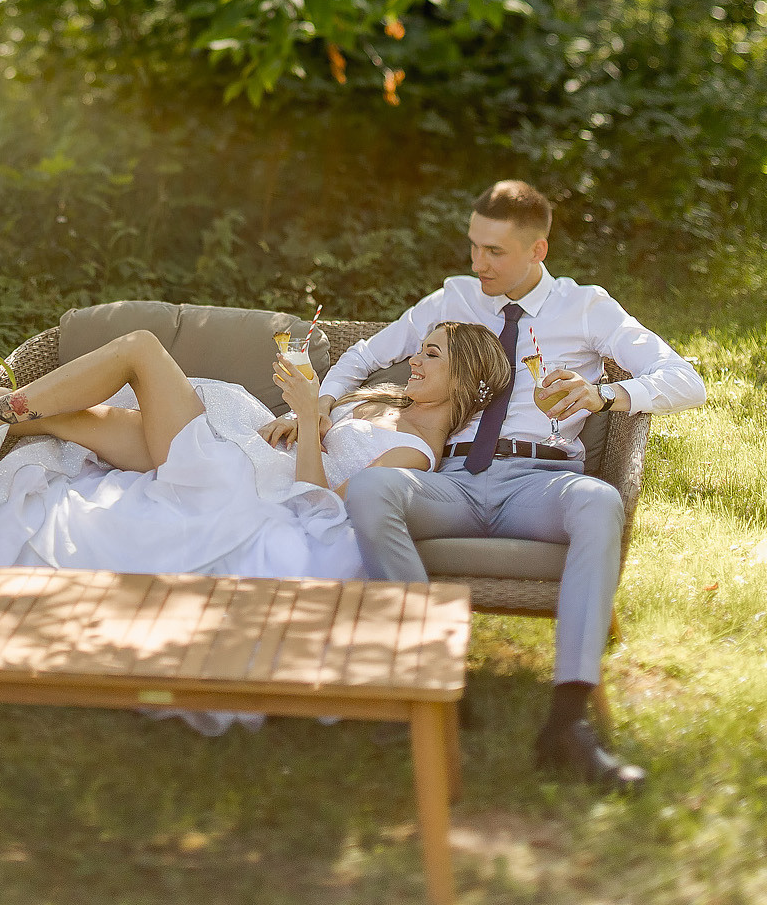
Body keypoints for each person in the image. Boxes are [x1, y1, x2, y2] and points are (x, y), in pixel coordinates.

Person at [266, 178, 705, 791]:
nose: (479, 263)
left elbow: (686, 380)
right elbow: (364, 355)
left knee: (599, 503)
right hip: (455, 482)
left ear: (538, 250)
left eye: (495, 251)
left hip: (540, 482)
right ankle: (435, 679)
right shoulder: (454, 298)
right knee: (370, 490)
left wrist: (604, 394)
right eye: (474, 246)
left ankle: (567, 724)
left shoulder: (586, 307)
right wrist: (321, 407)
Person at [0, 320, 510, 589]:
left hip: (241, 484)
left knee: (140, 349)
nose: (415, 361)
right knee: (68, 418)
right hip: (243, 445)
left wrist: (307, 419)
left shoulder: (415, 455)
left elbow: (322, 504)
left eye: (432, 356)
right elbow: (314, 435)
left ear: (468, 381)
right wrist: (299, 419)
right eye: (420, 350)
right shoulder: (382, 403)